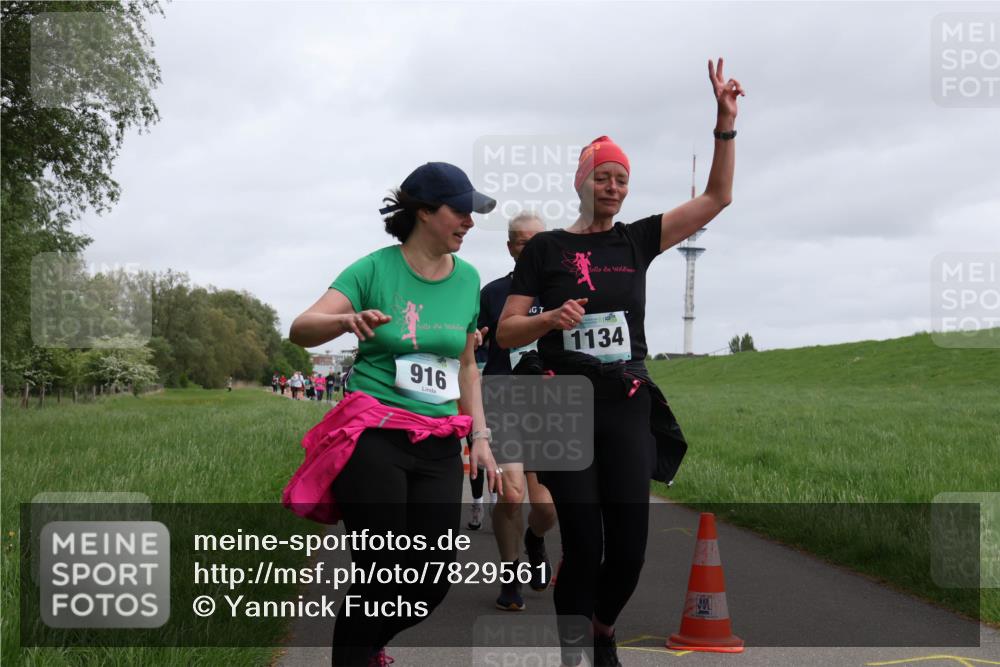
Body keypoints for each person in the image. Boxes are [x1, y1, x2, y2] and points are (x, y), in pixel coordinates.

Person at [497, 59, 744, 667]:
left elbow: (717, 197)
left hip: (627, 402)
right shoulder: (549, 248)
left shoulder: (634, 240)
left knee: (630, 547)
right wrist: (549, 321)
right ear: (581, 182)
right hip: (561, 404)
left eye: (622, 180)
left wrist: (725, 123)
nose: (613, 187)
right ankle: (575, 651)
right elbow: (505, 331)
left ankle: (604, 627)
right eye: (603, 177)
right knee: (582, 544)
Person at [285, 161, 504, 667]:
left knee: (430, 580)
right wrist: (345, 319)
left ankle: (365, 641)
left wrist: (482, 437)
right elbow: (301, 328)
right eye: (461, 210)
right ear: (425, 212)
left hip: (439, 440)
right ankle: (358, 653)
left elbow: (467, 364)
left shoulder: (468, 279)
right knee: (383, 570)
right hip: (374, 434)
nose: (470, 221)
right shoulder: (373, 269)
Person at [478, 212, 558, 611]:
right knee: (511, 494)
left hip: (549, 403)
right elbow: (471, 352)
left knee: (545, 508)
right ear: (510, 247)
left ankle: (535, 539)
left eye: (538, 241)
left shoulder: (564, 290)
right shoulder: (493, 294)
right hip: (503, 397)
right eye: (522, 242)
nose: (530, 249)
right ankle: (510, 576)